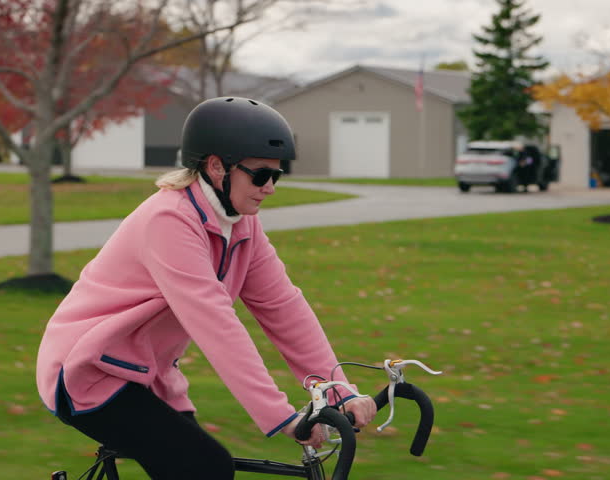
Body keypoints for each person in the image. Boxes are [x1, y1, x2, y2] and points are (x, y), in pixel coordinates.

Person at [35, 97, 377, 479]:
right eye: (261, 175)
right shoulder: (169, 220)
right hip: (88, 372)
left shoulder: (242, 223)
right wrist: (281, 416)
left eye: (277, 176)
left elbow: (283, 307)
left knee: (199, 464)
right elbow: (216, 326)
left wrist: (337, 389)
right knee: (206, 468)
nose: (270, 188)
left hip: (146, 374)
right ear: (217, 167)